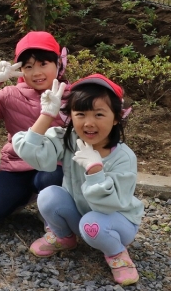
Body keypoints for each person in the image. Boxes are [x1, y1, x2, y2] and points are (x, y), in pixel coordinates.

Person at [12, 75, 143, 286]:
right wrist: (46, 115)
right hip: (82, 216)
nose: (89, 123)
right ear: (71, 116)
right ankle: (64, 237)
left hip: (115, 222)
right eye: (80, 114)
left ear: (117, 117)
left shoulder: (123, 157)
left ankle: (117, 252)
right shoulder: (68, 139)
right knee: (48, 195)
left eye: (99, 114)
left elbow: (110, 205)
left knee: (92, 223)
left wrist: (95, 171)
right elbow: (30, 152)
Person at [0, 31, 66, 224]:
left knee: (49, 178)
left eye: (43, 64)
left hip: (53, 166)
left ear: (58, 64)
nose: (36, 73)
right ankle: (26, 194)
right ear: (20, 70)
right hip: (18, 165)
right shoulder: (10, 95)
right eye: (29, 66)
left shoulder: (69, 96)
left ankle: (52, 214)